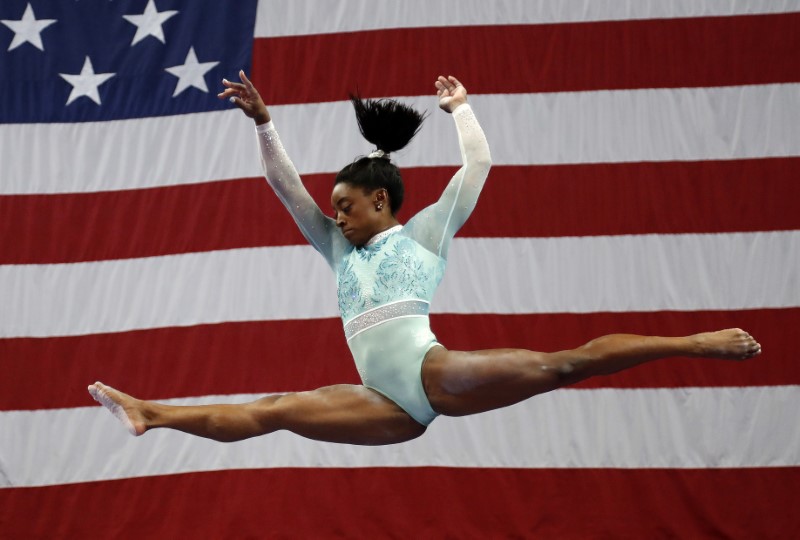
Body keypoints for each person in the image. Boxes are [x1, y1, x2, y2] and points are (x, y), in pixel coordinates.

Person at [88, 71, 761, 445]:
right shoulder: (332, 245)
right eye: (334, 207)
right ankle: (152, 411)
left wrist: (461, 109)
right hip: (383, 407)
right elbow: (284, 188)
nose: (335, 215)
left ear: (380, 201)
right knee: (276, 408)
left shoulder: (425, 235)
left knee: (561, 365)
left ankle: (695, 341)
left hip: (430, 371)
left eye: (346, 205)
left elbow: (479, 163)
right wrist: (265, 124)